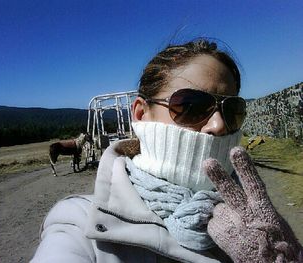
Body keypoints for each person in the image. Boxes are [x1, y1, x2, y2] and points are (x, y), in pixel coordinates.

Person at [31, 39, 303, 262]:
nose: (219, 125)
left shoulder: (258, 220)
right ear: (141, 114)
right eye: (192, 106)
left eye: (232, 110)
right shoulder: (82, 225)